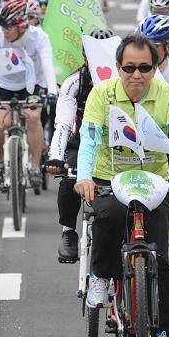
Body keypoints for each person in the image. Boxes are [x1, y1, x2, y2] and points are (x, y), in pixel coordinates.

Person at [75, 34, 169, 337]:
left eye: (145, 68)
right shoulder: (102, 93)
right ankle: (99, 275)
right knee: (109, 215)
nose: (136, 75)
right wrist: (84, 176)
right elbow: (90, 136)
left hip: (152, 181)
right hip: (108, 178)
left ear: (156, 68)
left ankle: (163, 336)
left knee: (162, 263)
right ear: (118, 68)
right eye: (129, 68)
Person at [46, 27, 117, 262]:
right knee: (69, 178)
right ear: (86, 56)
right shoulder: (73, 82)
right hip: (82, 141)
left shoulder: (125, 79)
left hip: (119, 144)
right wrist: (56, 156)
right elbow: (63, 124)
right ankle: (68, 231)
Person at [0, 0, 58, 188]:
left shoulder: (39, 37)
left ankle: (35, 167)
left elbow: (48, 66)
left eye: (8, 28)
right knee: (3, 123)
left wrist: (52, 91)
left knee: (34, 117)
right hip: (3, 83)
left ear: (22, 26)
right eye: (2, 27)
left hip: (33, 84)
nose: (3, 32)